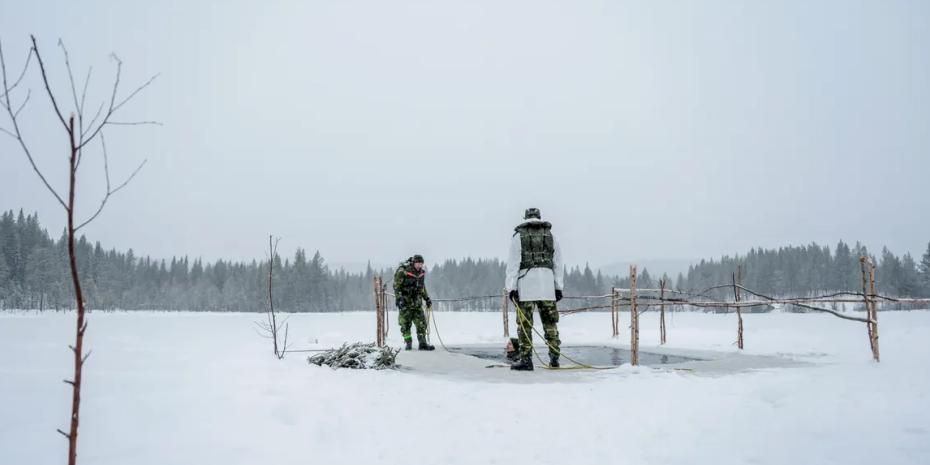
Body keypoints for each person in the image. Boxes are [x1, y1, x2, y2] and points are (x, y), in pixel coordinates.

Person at [505, 208, 564, 371]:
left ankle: (526, 359)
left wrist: (512, 288)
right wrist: (558, 287)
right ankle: (554, 358)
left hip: (526, 287)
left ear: (525, 218)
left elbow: (513, 265)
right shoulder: (552, 237)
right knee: (550, 324)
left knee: (525, 325)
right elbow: (559, 264)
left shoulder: (518, 237)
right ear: (539, 218)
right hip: (547, 287)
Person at [393, 254, 435, 351]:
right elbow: (396, 286)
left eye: (421, 264)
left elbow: (422, 288)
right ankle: (408, 343)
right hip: (405, 303)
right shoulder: (403, 271)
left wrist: (427, 298)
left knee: (421, 324)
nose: (419, 266)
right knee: (405, 324)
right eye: (418, 263)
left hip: (417, 304)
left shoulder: (421, 273)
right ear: (413, 263)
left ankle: (422, 343)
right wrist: (399, 299)